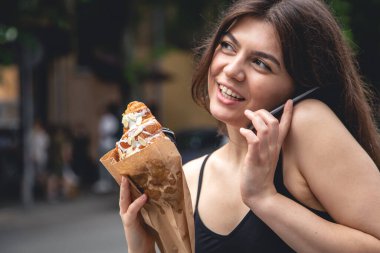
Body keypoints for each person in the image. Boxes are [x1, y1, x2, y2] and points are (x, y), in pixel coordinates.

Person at [118, 0, 380, 252]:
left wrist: (266, 199)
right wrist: (140, 247)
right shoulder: (189, 178)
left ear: (299, 85)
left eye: (260, 63)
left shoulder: (307, 124)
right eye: (228, 46)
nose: (232, 70)